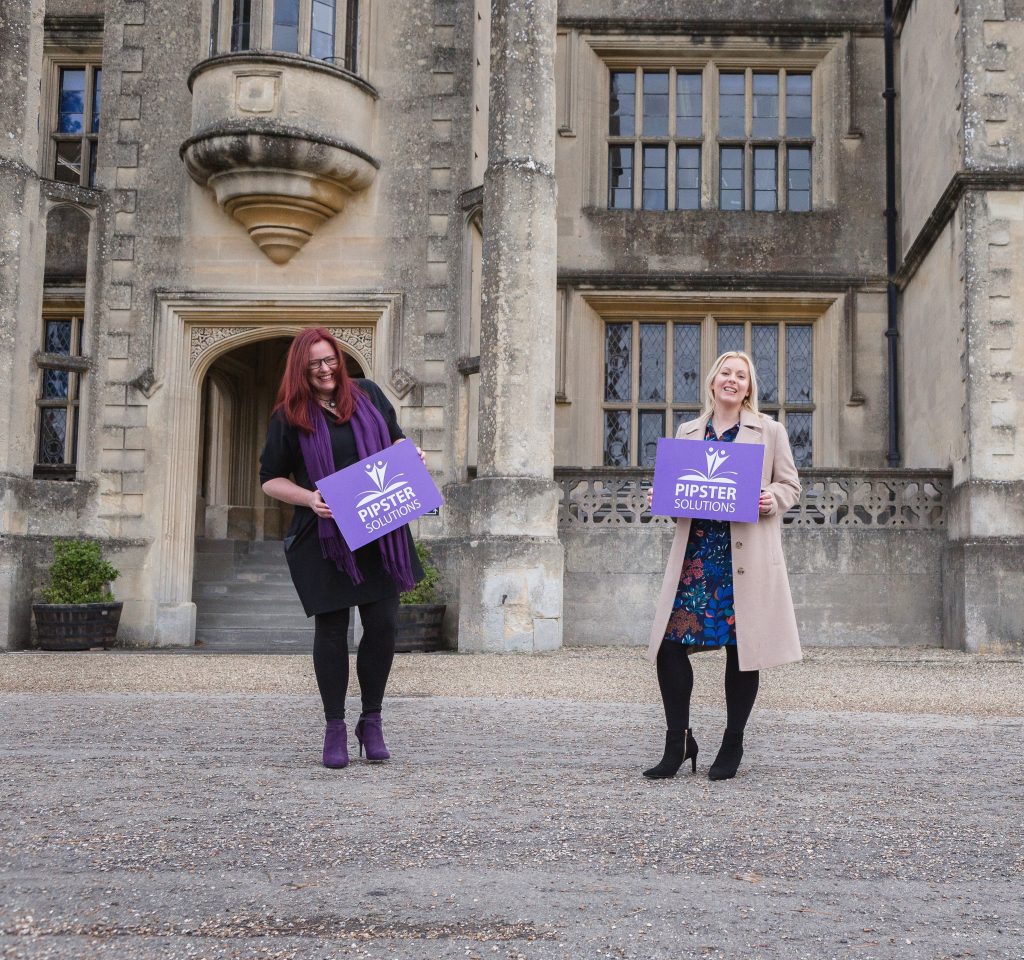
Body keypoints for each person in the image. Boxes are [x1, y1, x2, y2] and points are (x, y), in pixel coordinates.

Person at [259, 328, 424, 769]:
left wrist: (412, 454)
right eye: (315, 363)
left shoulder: (367, 393)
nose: (326, 369)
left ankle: (371, 720)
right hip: (325, 537)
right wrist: (310, 498)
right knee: (331, 632)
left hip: (379, 528)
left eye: (330, 359)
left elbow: (395, 439)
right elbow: (270, 479)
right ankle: (335, 726)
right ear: (302, 369)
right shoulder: (288, 415)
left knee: (384, 625)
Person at [643, 350, 801, 782]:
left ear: (748, 388)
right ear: (712, 382)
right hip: (696, 558)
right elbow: (678, 491)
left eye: (741, 376)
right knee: (669, 647)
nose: (732, 380)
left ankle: (733, 741)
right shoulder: (688, 431)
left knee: (742, 651)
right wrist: (667, 497)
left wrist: (774, 498)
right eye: (725, 373)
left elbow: (790, 484)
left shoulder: (769, 431)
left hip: (742, 558)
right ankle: (678, 741)